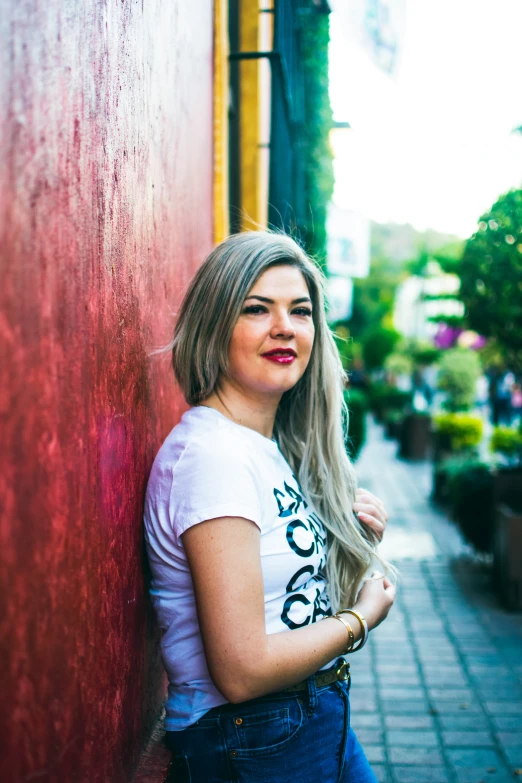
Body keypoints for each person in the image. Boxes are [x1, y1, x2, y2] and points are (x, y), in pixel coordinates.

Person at [144, 231, 397, 783]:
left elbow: (279, 592)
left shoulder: (260, 447)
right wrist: (359, 620)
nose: (284, 326)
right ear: (214, 325)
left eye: (300, 311)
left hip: (308, 720)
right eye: (256, 308)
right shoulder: (212, 457)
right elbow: (240, 670)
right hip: (251, 739)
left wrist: (342, 536)